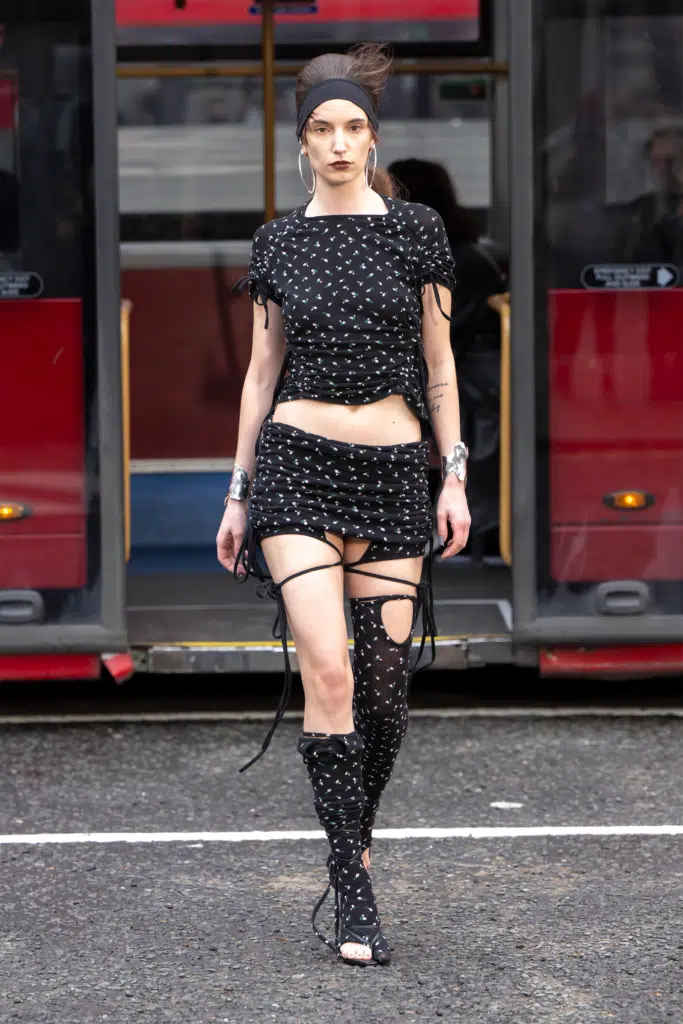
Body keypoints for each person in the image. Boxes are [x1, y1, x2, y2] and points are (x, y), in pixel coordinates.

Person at [216, 43, 470, 967]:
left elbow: (441, 370)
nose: (337, 142)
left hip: (399, 468)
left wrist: (454, 473)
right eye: (321, 128)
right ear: (302, 141)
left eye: (352, 127)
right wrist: (239, 493)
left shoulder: (417, 232)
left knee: (385, 688)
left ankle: (352, 833)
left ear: (372, 137)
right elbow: (258, 376)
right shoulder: (278, 243)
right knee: (328, 670)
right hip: (296, 467)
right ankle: (352, 884)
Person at [389, 158, 506, 557]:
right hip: (482, 375)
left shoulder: (446, 261)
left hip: (470, 379)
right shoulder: (470, 253)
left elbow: (439, 343)